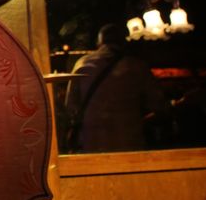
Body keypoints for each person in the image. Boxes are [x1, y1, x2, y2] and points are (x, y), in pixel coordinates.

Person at [64, 23, 169, 153]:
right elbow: (158, 105)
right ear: (123, 42)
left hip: (91, 142)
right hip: (129, 143)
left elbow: (70, 106)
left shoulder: (82, 63)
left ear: (99, 43)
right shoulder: (137, 66)